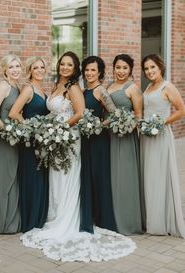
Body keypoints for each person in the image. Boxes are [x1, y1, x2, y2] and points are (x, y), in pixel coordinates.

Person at [20, 51, 136, 262]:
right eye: (62, 64)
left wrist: (60, 128)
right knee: (56, 178)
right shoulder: (58, 86)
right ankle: (53, 215)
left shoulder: (74, 87)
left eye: (69, 65)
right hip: (55, 136)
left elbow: (80, 113)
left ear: (75, 70)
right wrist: (50, 129)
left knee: (67, 176)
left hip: (68, 136)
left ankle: (67, 218)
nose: (65, 67)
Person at [140, 54, 185, 238]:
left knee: (159, 175)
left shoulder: (168, 87)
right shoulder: (149, 87)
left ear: (160, 67)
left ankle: (160, 221)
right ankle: (149, 217)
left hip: (161, 136)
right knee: (148, 176)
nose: (149, 71)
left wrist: (162, 123)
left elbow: (182, 110)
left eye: (152, 67)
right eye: (146, 69)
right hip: (146, 137)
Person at [9, 57, 49, 233]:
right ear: (30, 70)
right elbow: (14, 113)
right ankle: (30, 220)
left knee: (40, 177)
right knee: (31, 179)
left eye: (42, 67)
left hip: (42, 141)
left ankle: (39, 217)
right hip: (30, 142)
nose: (39, 70)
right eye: (36, 68)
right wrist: (30, 128)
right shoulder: (28, 88)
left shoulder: (42, 88)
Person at [80, 56, 117, 233]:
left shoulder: (101, 90)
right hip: (84, 139)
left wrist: (98, 125)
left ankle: (103, 218)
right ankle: (91, 215)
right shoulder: (83, 90)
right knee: (87, 175)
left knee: (99, 176)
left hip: (98, 139)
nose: (89, 73)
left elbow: (114, 114)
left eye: (93, 70)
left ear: (100, 72)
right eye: (87, 69)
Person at [107, 54, 143, 235]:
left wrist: (127, 127)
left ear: (130, 70)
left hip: (125, 137)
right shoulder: (109, 87)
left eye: (125, 68)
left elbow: (138, 115)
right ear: (113, 68)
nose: (121, 71)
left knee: (125, 177)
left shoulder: (133, 88)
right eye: (118, 67)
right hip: (109, 137)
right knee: (112, 177)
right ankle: (112, 217)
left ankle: (128, 221)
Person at [0, 54, 22, 233]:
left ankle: (12, 220)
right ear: (5, 70)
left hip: (15, 139)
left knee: (13, 177)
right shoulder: (4, 85)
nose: (15, 70)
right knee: (4, 177)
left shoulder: (18, 86)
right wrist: (6, 130)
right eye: (11, 67)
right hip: (4, 138)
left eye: (17, 66)